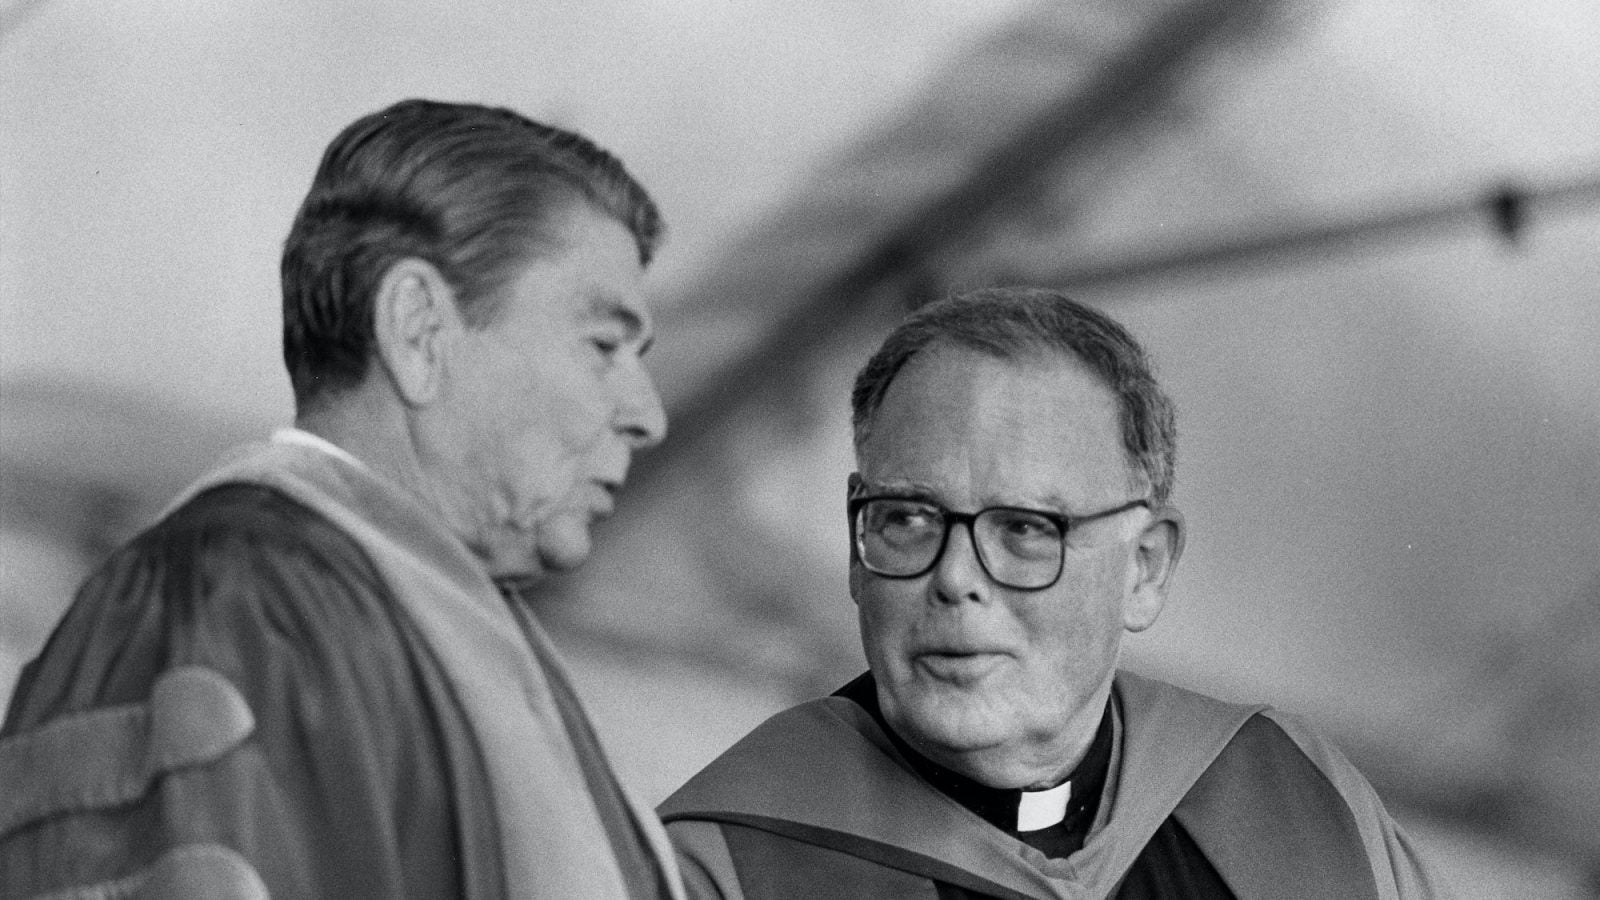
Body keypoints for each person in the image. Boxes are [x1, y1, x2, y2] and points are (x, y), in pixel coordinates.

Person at [0, 99, 684, 900]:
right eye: (604, 346)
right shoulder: (237, 597)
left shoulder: (462, 634)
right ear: (419, 328)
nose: (650, 416)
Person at [659, 288, 1440, 899]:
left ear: (1145, 569)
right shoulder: (724, 861)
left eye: (1027, 529)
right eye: (907, 518)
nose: (956, 579)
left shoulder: (1291, 797)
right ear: (857, 555)